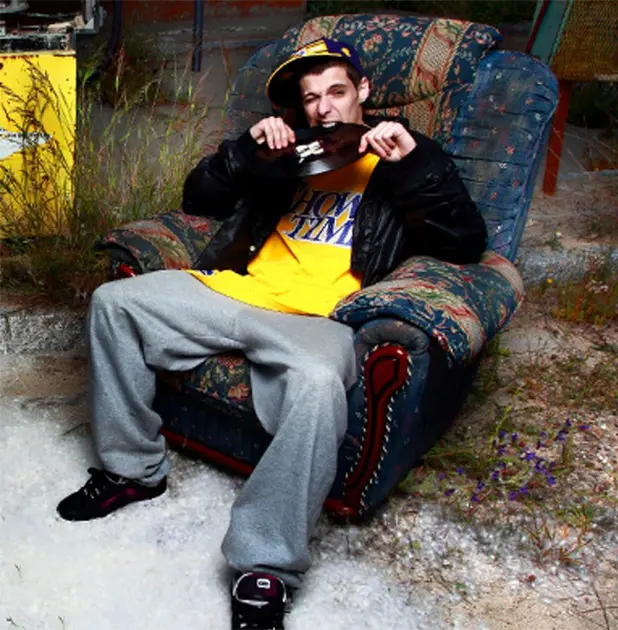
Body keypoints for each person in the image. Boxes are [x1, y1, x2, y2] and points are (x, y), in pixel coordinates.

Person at [57, 38, 487, 629]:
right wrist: (246, 153)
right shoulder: (286, 148)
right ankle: (130, 471)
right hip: (235, 291)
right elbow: (198, 199)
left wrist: (413, 166)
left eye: (336, 91)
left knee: (318, 381)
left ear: (362, 91)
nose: (324, 108)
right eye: (310, 99)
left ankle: (265, 564)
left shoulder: (404, 152)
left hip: (317, 320)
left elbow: (464, 244)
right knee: (115, 303)